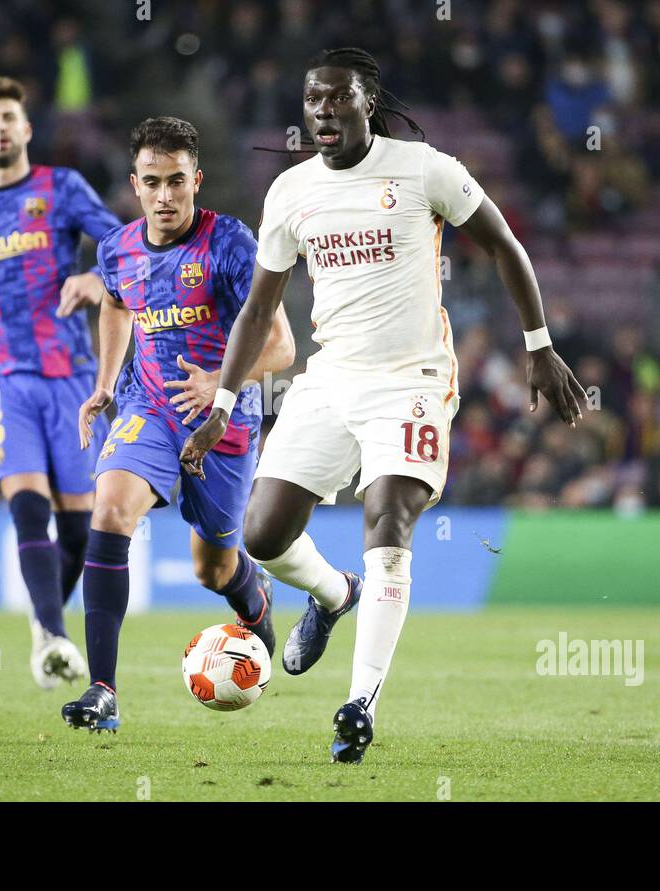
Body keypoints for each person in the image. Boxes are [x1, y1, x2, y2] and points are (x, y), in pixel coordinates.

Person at [181, 48, 585, 763]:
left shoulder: (424, 167)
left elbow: (503, 243)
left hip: (413, 380)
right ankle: (336, 593)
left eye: (338, 98)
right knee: (264, 534)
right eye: (313, 100)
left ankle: (359, 703)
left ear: (368, 101)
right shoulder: (291, 192)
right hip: (331, 376)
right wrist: (224, 398)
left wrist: (539, 343)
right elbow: (257, 310)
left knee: (388, 517)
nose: (324, 111)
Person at [61, 116, 295, 732]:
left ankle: (254, 595)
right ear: (134, 184)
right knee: (109, 510)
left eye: (176, 182)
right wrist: (106, 384)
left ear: (197, 180)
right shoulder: (118, 249)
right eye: (152, 183)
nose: (165, 197)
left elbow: (282, 348)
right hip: (149, 407)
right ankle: (103, 691)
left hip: (223, 421)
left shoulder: (232, 245)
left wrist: (221, 383)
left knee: (212, 569)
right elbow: (115, 303)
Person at [0, 75, 121, 690]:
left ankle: (43, 629)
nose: (1, 127)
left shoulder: (60, 188)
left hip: (72, 377)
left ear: (26, 129)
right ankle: (56, 637)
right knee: (28, 508)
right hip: (2, 377)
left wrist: (95, 277)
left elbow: (122, 240)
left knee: (82, 528)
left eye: (10, 115)